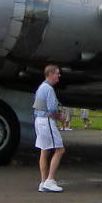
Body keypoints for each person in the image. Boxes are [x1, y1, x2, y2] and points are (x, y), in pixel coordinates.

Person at [34, 64, 66, 192]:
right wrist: (60, 117)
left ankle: (43, 182)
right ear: (50, 74)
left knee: (44, 150)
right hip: (47, 121)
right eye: (57, 73)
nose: (59, 76)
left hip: (39, 120)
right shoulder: (49, 90)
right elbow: (51, 110)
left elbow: (38, 106)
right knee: (60, 150)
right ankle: (50, 180)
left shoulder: (41, 88)